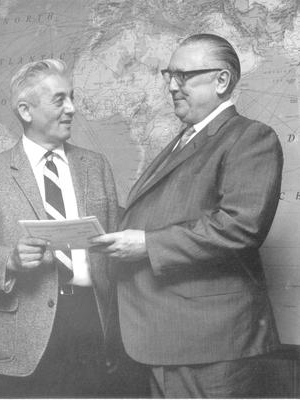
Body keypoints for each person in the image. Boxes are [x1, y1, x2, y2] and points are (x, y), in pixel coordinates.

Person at [91, 33, 283, 398]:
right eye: (169, 75)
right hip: (164, 338)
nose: (172, 86)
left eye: (184, 76)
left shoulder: (251, 138)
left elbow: (239, 227)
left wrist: (147, 244)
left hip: (209, 346)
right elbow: (161, 211)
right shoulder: (184, 139)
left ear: (222, 80)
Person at [0, 59, 119, 397]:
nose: (72, 108)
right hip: (20, 336)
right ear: (26, 111)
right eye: (60, 99)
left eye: (72, 97)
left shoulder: (97, 166)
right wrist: (10, 260)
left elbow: (113, 255)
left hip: (91, 326)